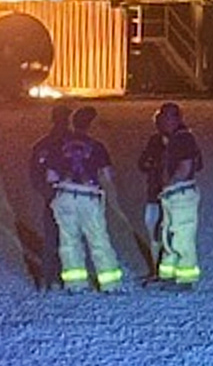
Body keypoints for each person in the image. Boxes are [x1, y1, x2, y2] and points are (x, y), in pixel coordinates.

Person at [46, 105, 124, 294]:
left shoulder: (59, 146)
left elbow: (50, 176)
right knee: (98, 239)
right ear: (90, 125)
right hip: (89, 196)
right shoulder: (97, 147)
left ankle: (75, 284)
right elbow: (107, 176)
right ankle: (110, 284)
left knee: (68, 241)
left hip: (64, 195)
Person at [152, 101, 203, 290]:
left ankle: (185, 278)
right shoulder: (173, 139)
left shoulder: (183, 139)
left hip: (181, 194)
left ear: (175, 119)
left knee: (182, 237)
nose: (160, 122)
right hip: (173, 195)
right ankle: (167, 275)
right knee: (168, 236)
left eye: (165, 118)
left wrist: (169, 183)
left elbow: (186, 166)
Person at [29, 103, 72, 291]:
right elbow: (36, 174)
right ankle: (54, 278)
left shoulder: (45, 144)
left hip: (61, 196)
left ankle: (53, 279)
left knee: (56, 239)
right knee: (60, 239)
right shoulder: (45, 145)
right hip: (63, 197)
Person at [137, 125, 165, 277]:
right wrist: (152, 166)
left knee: (167, 232)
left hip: (169, 195)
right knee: (152, 229)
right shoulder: (154, 140)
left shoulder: (182, 141)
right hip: (154, 193)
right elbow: (142, 162)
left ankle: (165, 270)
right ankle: (156, 269)